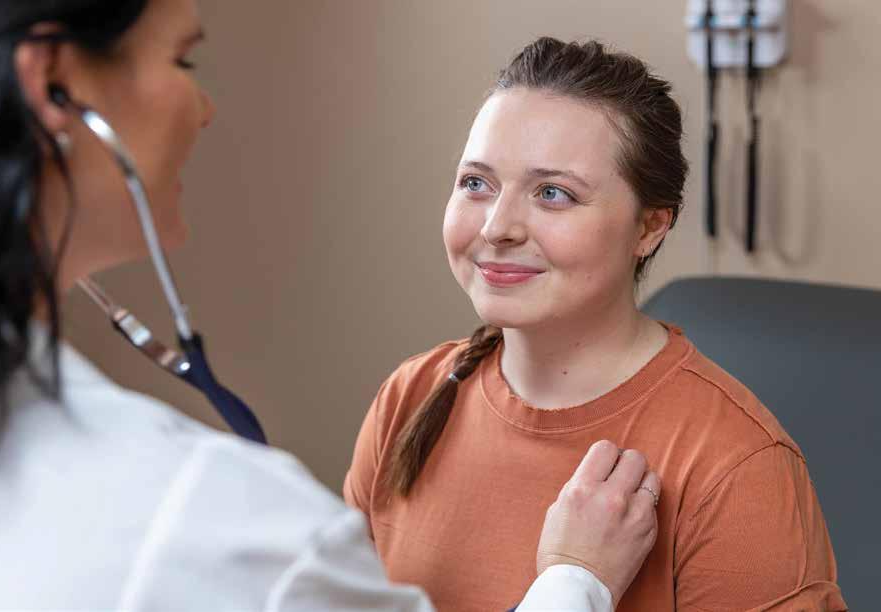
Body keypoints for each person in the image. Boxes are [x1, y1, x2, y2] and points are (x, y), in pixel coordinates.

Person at [0, 2, 660, 609]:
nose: (205, 107)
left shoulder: (707, 448)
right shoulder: (203, 513)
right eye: (181, 61)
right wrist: (576, 581)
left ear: (650, 227)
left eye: (554, 192)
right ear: (56, 82)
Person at [344, 37, 848, 611]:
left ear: (649, 228)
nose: (497, 227)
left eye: (553, 193)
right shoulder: (408, 398)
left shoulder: (736, 466)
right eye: (476, 183)